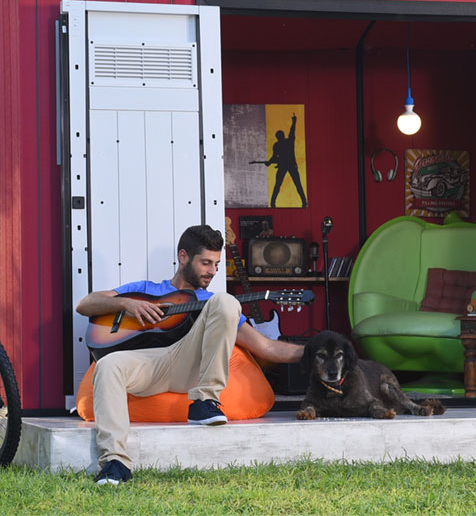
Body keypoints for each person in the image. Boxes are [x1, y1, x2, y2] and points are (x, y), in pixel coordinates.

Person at [75, 224, 303, 485]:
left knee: (227, 301)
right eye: (206, 263)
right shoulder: (147, 289)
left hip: (188, 365)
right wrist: (126, 303)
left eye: (216, 264)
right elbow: (85, 305)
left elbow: (267, 348)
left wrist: (313, 351)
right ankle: (115, 463)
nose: (213, 272)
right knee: (108, 364)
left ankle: (204, 402)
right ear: (183, 256)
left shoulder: (211, 304)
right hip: (147, 364)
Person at [253, 113, 307, 208]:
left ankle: (274, 203)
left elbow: (292, 131)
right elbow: (275, 157)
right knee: (284, 185)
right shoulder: (284, 143)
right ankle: (274, 203)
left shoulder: (282, 143)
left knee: (290, 185)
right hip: (287, 166)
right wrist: (269, 162)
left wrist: (294, 122)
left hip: (289, 166)